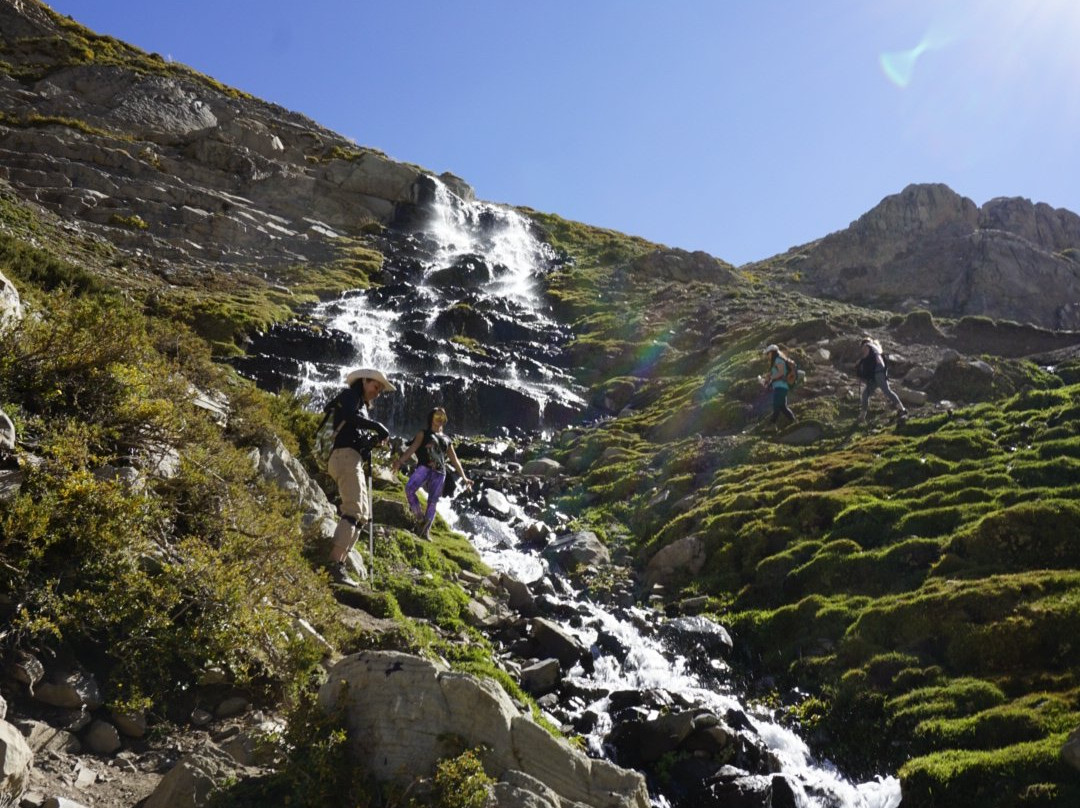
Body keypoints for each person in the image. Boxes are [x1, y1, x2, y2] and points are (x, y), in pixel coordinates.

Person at [326, 368, 394, 584]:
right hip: (343, 457)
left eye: (381, 390)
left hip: (351, 458)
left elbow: (358, 440)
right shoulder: (349, 396)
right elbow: (347, 417)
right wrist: (378, 426)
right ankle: (333, 566)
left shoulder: (362, 407)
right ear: (364, 381)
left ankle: (340, 564)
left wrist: (372, 442)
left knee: (362, 515)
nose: (378, 392)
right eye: (376, 386)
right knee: (353, 510)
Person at [390, 407, 471, 540]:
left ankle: (425, 532)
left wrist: (464, 477)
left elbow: (454, 460)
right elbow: (412, 449)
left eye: (443, 417)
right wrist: (400, 461)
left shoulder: (447, 439)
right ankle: (420, 518)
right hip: (424, 468)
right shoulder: (423, 434)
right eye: (437, 415)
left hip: (440, 473)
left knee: (433, 502)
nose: (440, 418)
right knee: (409, 488)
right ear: (431, 418)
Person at [855, 338, 907, 422]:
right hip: (877, 374)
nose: (862, 349)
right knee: (865, 394)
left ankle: (902, 409)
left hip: (877, 373)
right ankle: (862, 416)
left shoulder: (868, 345)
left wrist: (859, 363)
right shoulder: (876, 349)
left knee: (887, 391)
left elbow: (866, 361)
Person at [762, 344, 797, 428]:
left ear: (772, 352)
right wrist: (769, 377)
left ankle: (772, 424)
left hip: (781, 387)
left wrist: (771, 378)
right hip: (781, 387)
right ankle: (793, 421)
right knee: (782, 407)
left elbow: (781, 373)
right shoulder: (777, 361)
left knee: (776, 405)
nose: (767, 356)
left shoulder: (778, 360)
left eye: (768, 353)